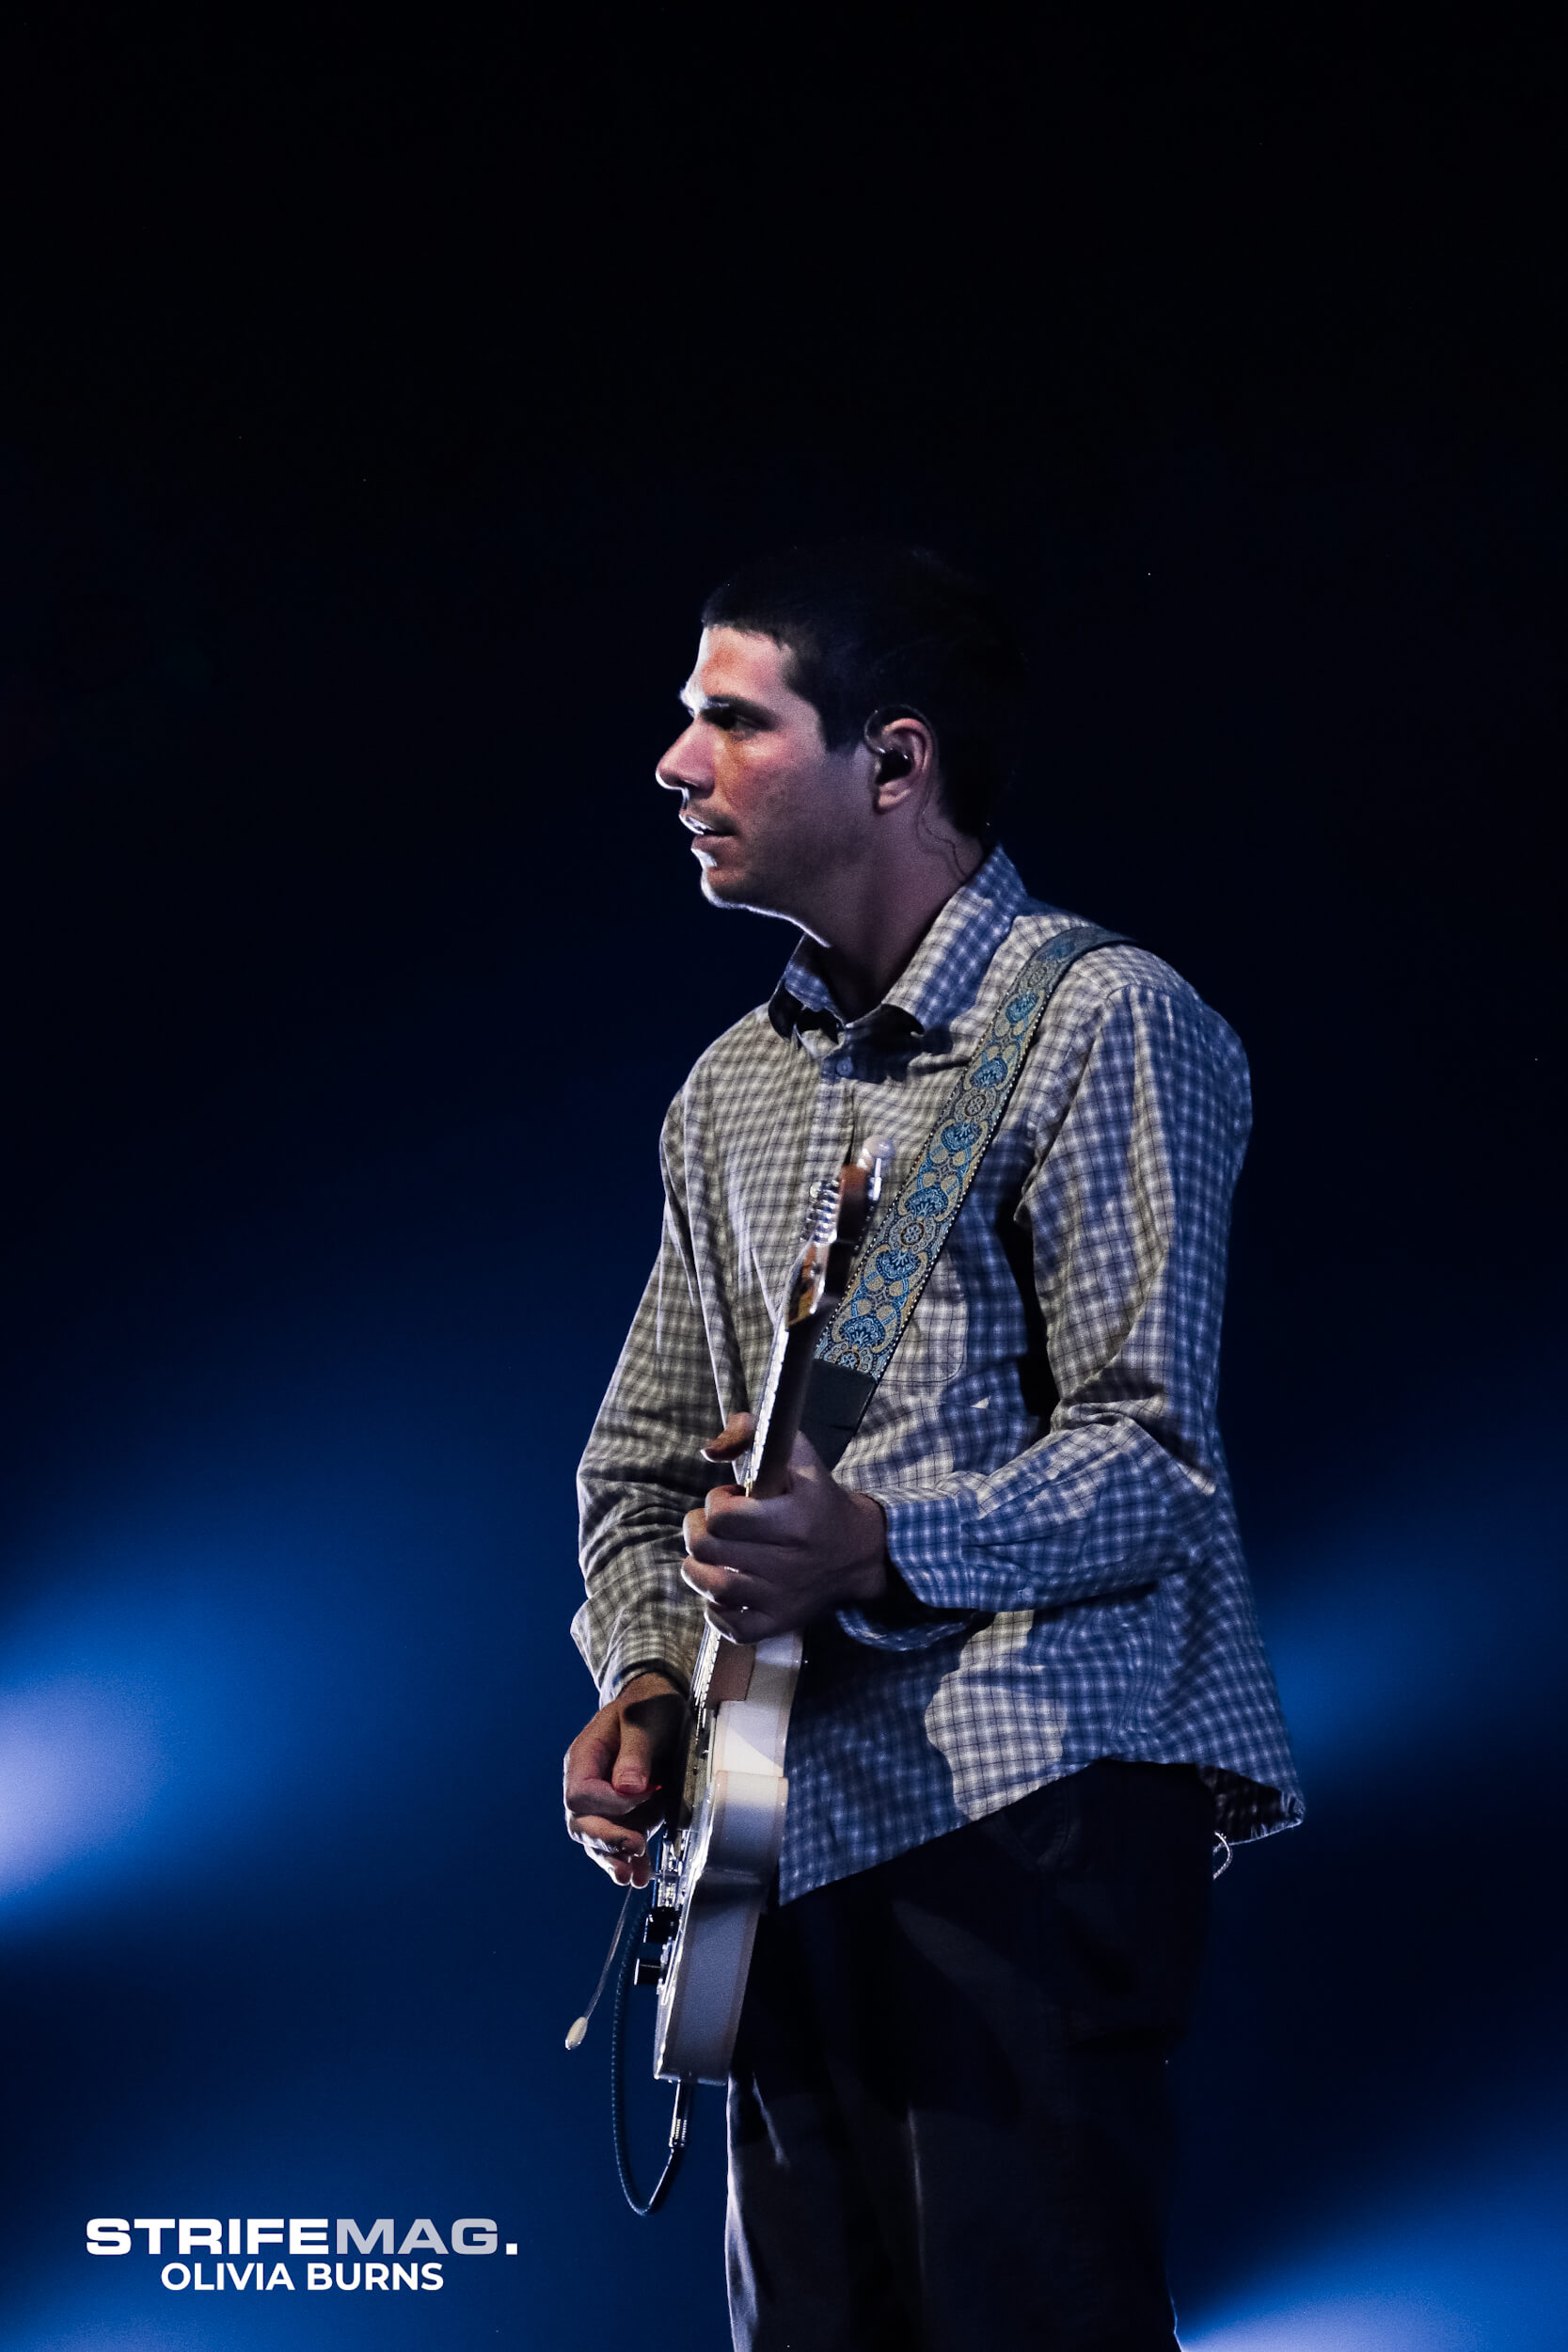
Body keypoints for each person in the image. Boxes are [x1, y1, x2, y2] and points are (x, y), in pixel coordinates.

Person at [562, 541, 1302, 2351]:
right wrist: (651, 1678)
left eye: (732, 721)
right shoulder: (730, 1084)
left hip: (1021, 1818)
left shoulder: (1103, 1019)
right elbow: (645, 1467)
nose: (675, 762)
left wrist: (876, 1545)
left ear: (893, 763)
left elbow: (1155, 1464)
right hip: (767, 1833)